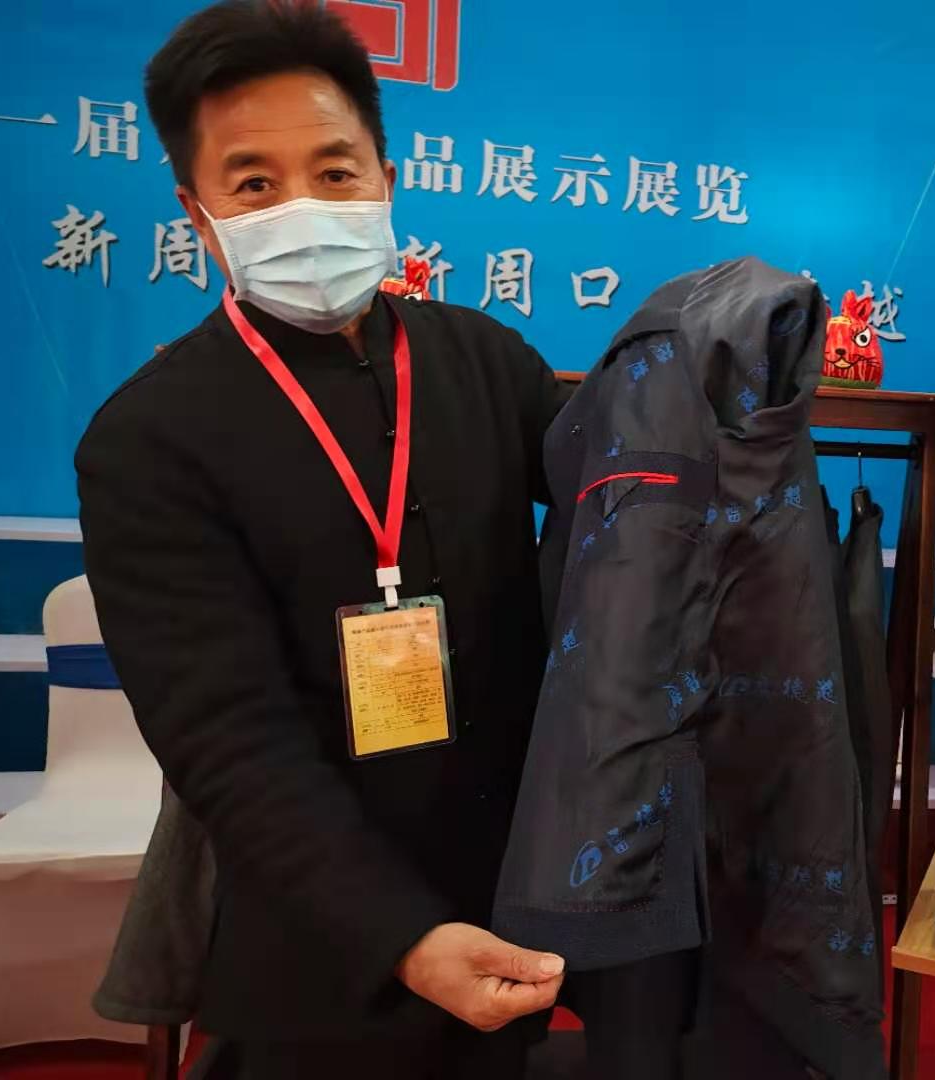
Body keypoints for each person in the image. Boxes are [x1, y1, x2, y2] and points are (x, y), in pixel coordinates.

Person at [75, 2, 568, 1076]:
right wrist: (405, 939)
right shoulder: (148, 439)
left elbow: (616, 498)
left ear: (385, 179)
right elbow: (227, 744)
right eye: (254, 183)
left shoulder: (487, 363)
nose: (303, 207)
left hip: (505, 899)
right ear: (198, 214)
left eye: (335, 172)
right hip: (317, 947)